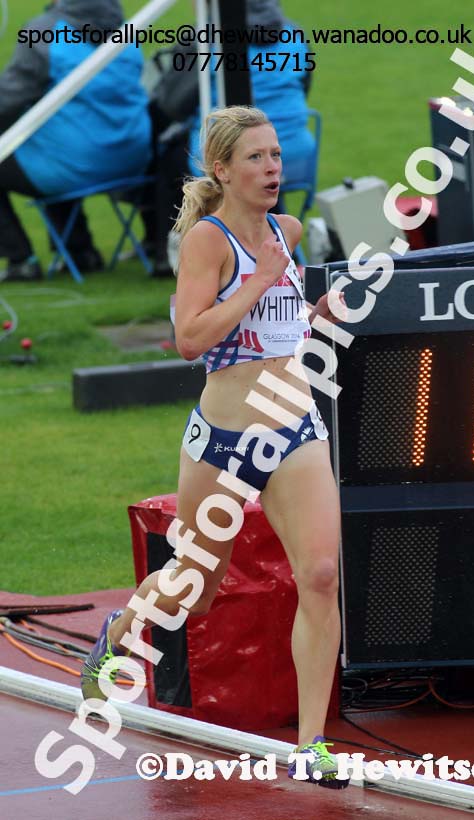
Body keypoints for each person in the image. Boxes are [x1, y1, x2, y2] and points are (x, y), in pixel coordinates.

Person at [81, 105, 348, 788]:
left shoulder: (287, 231)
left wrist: (317, 315)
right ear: (222, 170)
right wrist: (257, 280)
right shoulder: (209, 241)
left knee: (318, 575)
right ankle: (119, 632)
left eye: (277, 155)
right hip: (223, 439)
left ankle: (313, 743)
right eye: (256, 158)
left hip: (293, 429)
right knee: (195, 593)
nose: (272, 169)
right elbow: (191, 340)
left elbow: (280, 328)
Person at [148, 0, 315, 276]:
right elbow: (303, 85)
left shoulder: (205, 39)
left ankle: (168, 255)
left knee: (169, 157)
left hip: (241, 159)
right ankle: (274, 250)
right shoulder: (293, 34)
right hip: (294, 153)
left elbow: (172, 105)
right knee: (252, 158)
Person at [0, 0, 152, 282]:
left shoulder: (44, 31)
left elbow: (9, 100)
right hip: (133, 158)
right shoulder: (130, 30)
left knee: (47, 147)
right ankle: (79, 251)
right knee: (55, 138)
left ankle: (20, 258)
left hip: (74, 164)